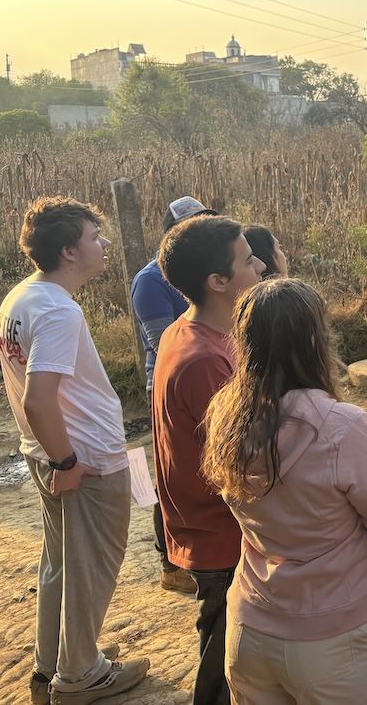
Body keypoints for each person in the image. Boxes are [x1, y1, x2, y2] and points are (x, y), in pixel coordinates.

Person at [202, 279, 367, 704]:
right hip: (334, 637)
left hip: (249, 624)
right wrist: (356, 571)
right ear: (315, 341)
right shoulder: (343, 425)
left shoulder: (224, 415)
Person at [0, 196, 150, 704]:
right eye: (93, 237)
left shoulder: (21, 296)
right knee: (91, 570)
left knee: (61, 563)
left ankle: (52, 663)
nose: (104, 244)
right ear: (68, 251)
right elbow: (38, 399)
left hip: (46, 452)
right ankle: (80, 674)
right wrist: (68, 462)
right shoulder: (58, 310)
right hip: (82, 460)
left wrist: (56, 457)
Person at [156, 216, 264, 705]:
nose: (260, 267)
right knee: (224, 661)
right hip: (222, 535)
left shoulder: (192, 332)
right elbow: (238, 465)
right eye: (248, 259)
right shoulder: (205, 361)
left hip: (212, 527)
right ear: (218, 282)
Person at [131, 194, 215, 596]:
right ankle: (171, 563)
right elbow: (164, 341)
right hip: (172, 381)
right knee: (176, 473)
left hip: (207, 369)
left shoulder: (211, 268)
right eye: (192, 225)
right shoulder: (150, 280)